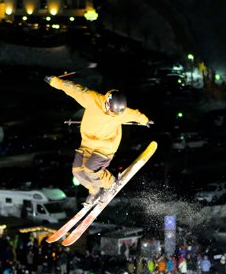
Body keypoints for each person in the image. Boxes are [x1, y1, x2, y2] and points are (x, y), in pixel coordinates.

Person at [44, 76, 151, 206]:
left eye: (117, 113)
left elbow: (134, 114)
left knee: (90, 169)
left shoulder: (121, 113)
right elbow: (73, 89)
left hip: (106, 147)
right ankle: (95, 190)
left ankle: (110, 183)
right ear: (107, 102)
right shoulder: (92, 99)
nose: (113, 115)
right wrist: (55, 81)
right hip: (87, 144)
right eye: (112, 111)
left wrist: (145, 120)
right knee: (77, 171)